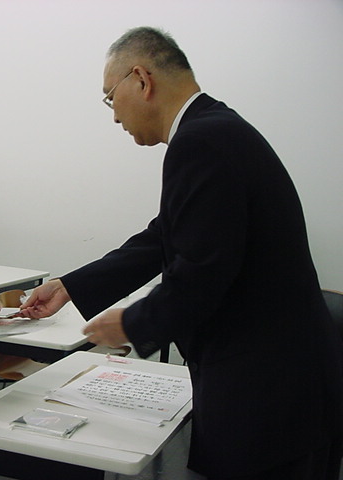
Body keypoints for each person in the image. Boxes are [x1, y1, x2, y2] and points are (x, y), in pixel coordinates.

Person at [20, 27, 343, 480]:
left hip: (267, 394)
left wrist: (130, 323)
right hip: (288, 385)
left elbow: (201, 274)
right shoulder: (216, 129)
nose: (114, 117)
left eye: (110, 98)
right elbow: (163, 236)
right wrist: (71, 286)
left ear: (141, 79)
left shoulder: (201, 142)